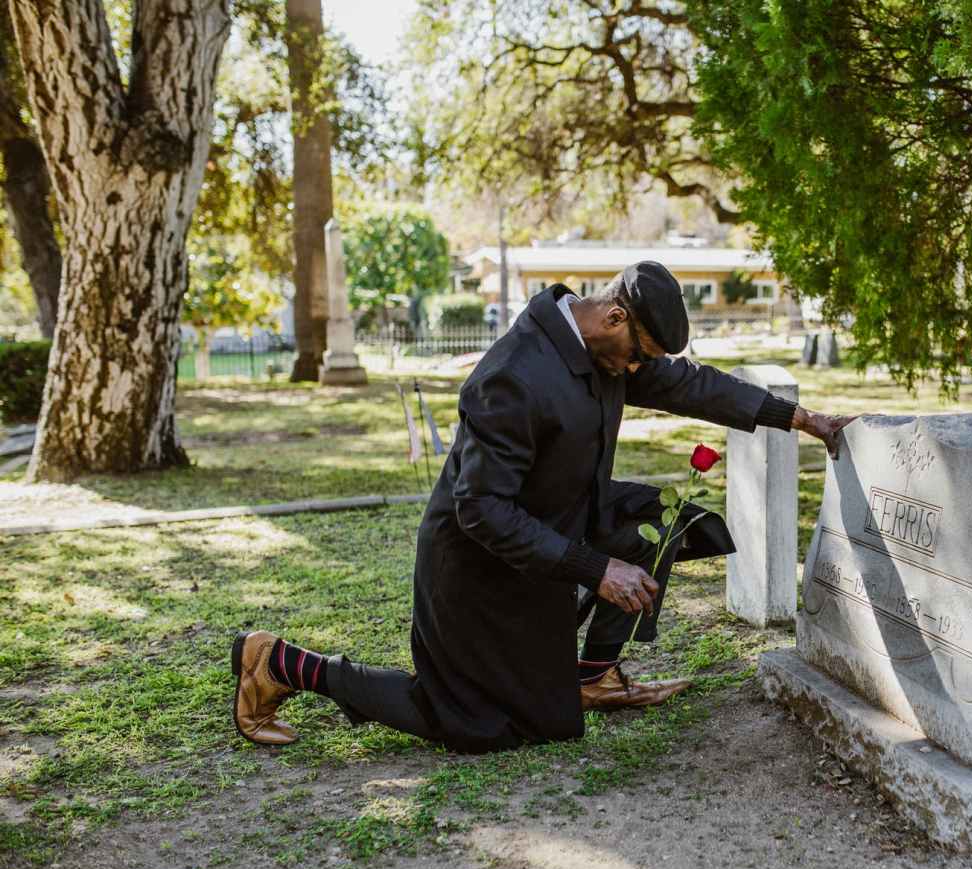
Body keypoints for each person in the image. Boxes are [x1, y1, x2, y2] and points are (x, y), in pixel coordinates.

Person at [232, 261, 853, 753]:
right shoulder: (514, 376)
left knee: (665, 522)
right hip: (480, 566)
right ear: (614, 316)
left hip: (559, 521)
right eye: (639, 355)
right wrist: (597, 569)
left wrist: (801, 418)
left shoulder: (606, 348)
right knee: (476, 724)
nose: (639, 369)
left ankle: (594, 675)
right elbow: (481, 510)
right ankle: (279, 663)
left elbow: (689, 383)